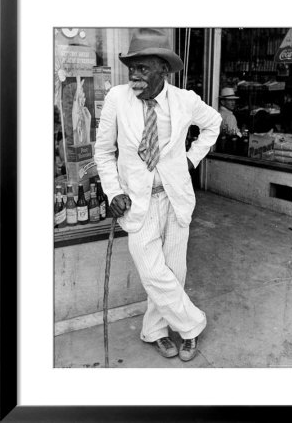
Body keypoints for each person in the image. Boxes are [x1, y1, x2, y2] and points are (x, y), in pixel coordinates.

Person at [94, 28, 221, 362]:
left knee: (174, 272)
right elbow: (104, 152)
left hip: (175, 197)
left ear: (164, 69)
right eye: (132, 67)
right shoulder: (117, 98)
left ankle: (156, 331)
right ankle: (193, 325)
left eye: (144, 68)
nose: (135, 75)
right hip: (137, 202)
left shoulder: (185, 100)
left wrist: (191, 160)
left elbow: (214, 123)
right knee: (153, 272)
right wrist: (113, 191)